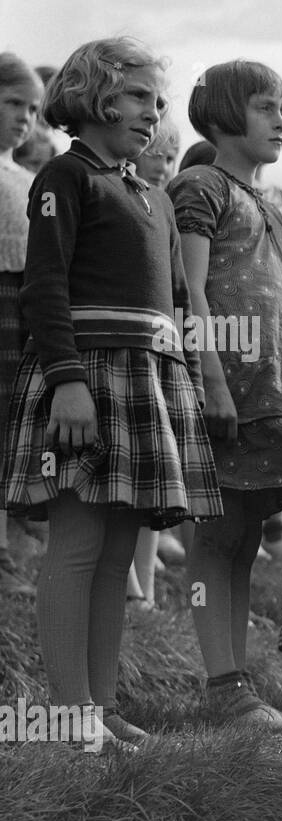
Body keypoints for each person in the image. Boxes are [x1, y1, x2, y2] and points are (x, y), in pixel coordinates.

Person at [1, 37, 222, 749]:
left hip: (148, 380)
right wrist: (66, 380)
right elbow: (45, 286)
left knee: (120, 545)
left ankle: (99, 703)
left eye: (158, 103)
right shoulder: (64, 178)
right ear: (93, 95)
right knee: (77, 541)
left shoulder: (152, 195)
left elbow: (181, 302)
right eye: (136, 97)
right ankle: (69, 716)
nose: (151, 114)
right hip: (88, 378)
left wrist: (190, 378)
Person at [169, 59, 282, 737]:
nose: (280, 118)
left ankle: (238, 687)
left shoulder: (274, 201)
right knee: (218, 535)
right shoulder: (200, 185)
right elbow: (190, 290)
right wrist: (210, 376)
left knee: (248, 534)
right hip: (228, 385)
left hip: (276, 390)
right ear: (225, 113)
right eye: (264, 106)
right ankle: (223, 685)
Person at [124, 112, 184, 610]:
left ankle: (142, 589)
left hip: (159, 358)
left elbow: (177, 292)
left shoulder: (161, 206)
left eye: (172, 156)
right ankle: (126, 581)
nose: (166, 164)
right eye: (159, 153)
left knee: (150, 488)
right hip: (122, 357)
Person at [0, 52, 43, 592]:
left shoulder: (27, 178)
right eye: (13, 103)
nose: (24, 118)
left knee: (10, 421)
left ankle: (7, 548)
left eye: (32, 108)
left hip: (20, 303)